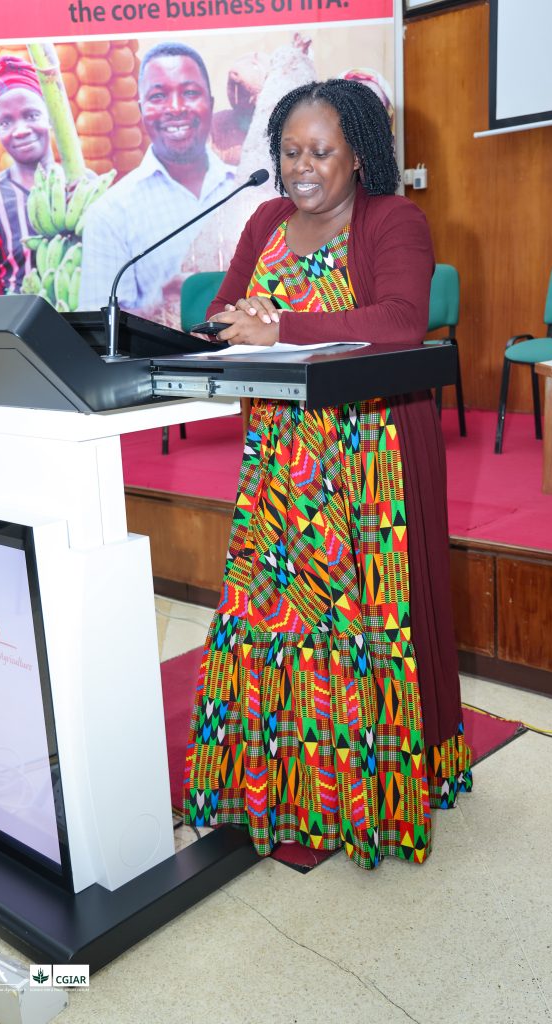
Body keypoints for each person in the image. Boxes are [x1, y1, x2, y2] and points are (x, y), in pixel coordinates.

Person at [183, 79, 472, 869]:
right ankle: (273, 787)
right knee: (268, 614)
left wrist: (281, 325)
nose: (302, 167)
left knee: (354, 624)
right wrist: (218, 331)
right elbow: (224, 309)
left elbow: (399, 319)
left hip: (363, 462)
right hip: (277, 462)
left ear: (358, 156)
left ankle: (361, 797)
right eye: (289, 151)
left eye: (320, 151)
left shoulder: (394, 219)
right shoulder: (267, 220)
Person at [79, 42, 235, 323]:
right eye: (158, 96)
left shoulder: (250, 190)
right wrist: (160, 305)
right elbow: (100, 331)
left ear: (210, 104)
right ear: (141, 109)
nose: (175, 108)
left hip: (266, 361)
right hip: (169, 366)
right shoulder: (111, 214)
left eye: (189, 92)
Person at [0, 55, 53, 295]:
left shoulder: (85, 185)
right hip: (20, 328)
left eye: (31, 115)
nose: (21, 130)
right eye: (6, 122)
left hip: (91, 329)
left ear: (49, 114)